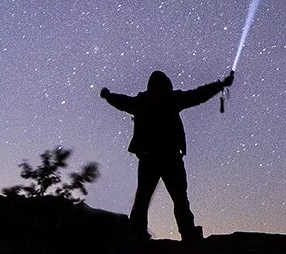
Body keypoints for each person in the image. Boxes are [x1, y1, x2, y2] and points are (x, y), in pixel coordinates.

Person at [100, 68, 234, 242]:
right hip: (171, 158)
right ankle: (188, 234)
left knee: (143, 199)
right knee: (179, 199)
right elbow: (198, 95)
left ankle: (136, 235)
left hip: (149, 158)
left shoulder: (141, 102)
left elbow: (121, 101)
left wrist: (108, 96)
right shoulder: (172, 99)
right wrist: (220, 85)